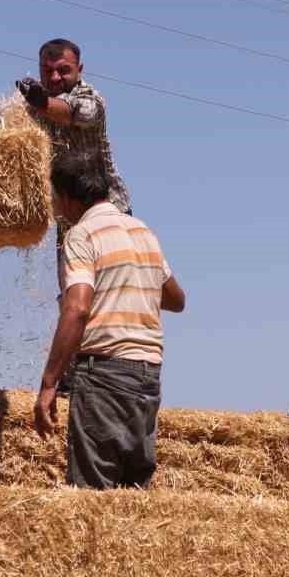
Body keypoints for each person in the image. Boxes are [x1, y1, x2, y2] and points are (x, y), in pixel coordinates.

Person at [33, 152, 185, 489]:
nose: (55, 205)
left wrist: (49, 383)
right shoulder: (143, 231)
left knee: (93, 497)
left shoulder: (82, 235)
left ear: (69, 197)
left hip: (104, 375)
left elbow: (77, 308)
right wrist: (131, 283)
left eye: (55, 196)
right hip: (147, 377)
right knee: (132, 496)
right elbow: (176, 299)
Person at [0, 38, 129, 214]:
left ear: (79, 70)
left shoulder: (90, 98)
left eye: (63, 70)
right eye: (48, 71)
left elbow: (76, 112)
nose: (55, 77)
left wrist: (42, 102)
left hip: (108, 207)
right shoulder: (33, 98)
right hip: (68, 212)